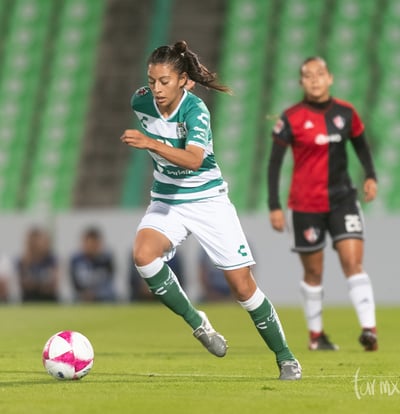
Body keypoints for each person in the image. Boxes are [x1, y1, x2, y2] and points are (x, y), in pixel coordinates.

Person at [120, 40, 301, 380]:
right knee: (143, 255)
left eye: (165, 81)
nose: (156, 88)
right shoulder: (140, 101)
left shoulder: (196, 111)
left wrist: (149, 143)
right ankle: (198, 323)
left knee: (242, 286)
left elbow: (194, 159)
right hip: (167, 199)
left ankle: (286, 357)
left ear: (183, 80)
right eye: (152, 80)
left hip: (208, 200)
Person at [267, 56, 378, 351]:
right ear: (301, 82)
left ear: (330, 78)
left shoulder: (346, 113)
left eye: (320, 74)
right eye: (308, 75)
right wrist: (274, 205)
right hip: (305, 205)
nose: (314, 79)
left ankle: (370, 329)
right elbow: (274, 164)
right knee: (314, 272)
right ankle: (317, 336)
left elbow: (361, 145)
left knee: (353, 262)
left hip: (343, 199)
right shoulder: (290, 118)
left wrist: (370, 175)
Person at [70, 227, 116, 302]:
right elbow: (75, 283)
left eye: (94, 244)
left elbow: (109, 280)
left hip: (103, 297)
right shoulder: (76, 260)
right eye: (89, 244)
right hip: (82, 297)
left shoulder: (106, 259)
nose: (91, 247)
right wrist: (85, 293)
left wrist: (96, 293)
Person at [16, 227, 59, 302]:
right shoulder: (23, 260)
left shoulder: (51, 260)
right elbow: (24, 284)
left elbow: (53, 284)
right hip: (29, 299)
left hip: (49, 299)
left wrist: (36, 284)